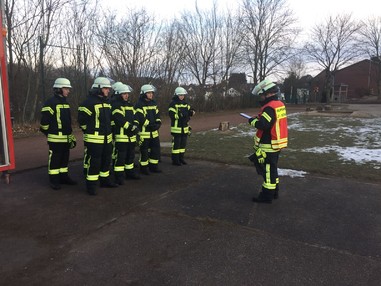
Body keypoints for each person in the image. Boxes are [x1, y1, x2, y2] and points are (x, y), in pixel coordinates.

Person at [248, 79, 288, 203]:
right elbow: (271, 121)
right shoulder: (278, 104)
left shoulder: (269, 107)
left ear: (268, 93)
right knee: (273, 169)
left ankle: (266, 196)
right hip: (276, 142)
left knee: (268, 171)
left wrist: (252, 121)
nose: (261, 98)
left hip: (268, 143)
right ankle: (274, 192)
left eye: (262, 95)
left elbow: (263, 125)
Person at [78, 77, 118, 195]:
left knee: (106, 160)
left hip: (107, 138)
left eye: (108, 89)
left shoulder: (107, 102)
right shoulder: (88, 103)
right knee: (94, 162)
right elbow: (82, 121)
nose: (108, 91)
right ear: (98, 88)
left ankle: (104, 180)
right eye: (105, 88)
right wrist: (89, 132)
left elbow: (109, 120)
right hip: (94, 139)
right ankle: (91, 185)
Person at [39, 78, 77, 190]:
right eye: (66, 88)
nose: (68, 91)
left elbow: (67, 122)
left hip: (65, 138)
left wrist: (70, 136)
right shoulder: (50, 103)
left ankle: (63, 177)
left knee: (65, 158)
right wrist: (49, 133)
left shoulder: (65, 103)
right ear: (59, 89)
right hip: (55, 138)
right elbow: (44, 122)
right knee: (55, 159)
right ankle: (54, 180)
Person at [111, 83, 140, 185]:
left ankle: (130, 172)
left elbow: (136, 117)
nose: (126, 95)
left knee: (130, 156)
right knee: (120, 157)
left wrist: (136, 125)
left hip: (131, 137)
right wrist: (131, 127)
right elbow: (119, 119)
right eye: (124, 94)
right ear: (119, 94)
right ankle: (119, 176)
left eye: (127, 93)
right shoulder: (115, 106)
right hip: (121, 136)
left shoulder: (130, 105)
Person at [134, 84, 162, 175]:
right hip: (144, 133)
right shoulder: (139, 105)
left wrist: (158, 123)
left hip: (154, 133)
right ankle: (144, 168)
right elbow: (140, 117)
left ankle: (154, 167)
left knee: (155, 150)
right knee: (144, 152)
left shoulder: (154, 103)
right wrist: (149, 125)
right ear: (143, 94)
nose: (151, 95)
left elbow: (157, 115)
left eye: (151, 93)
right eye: (149, 93)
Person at [168, 86, 195, 166]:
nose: (182, 96)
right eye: (180, 95)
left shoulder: (185, 103)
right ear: (176, 95)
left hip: (185, 128)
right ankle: (175, 160)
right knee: (176, 146)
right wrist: (181, 115)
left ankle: (181, 158)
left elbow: (191, 110)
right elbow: (172, 115)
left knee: (183, 145)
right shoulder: (173, 104)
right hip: (177, 128)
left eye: (183, 95)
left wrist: (191, 112)